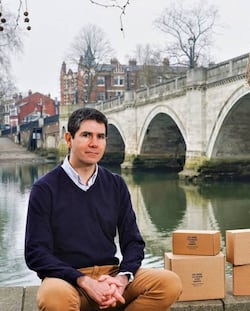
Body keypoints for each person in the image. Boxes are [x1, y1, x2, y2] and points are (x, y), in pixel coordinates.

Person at [25, 107, 182, 311]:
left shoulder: (116, 184)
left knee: (169, 283)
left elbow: (133, 242)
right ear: (69, 139)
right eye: (86, 135)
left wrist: (122, 279)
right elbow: (36, 252)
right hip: (67, 280)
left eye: (100, 137)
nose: (94, 143)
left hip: (111, 276)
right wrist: (83, 280)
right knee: (52, 297)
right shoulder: (45, 188)